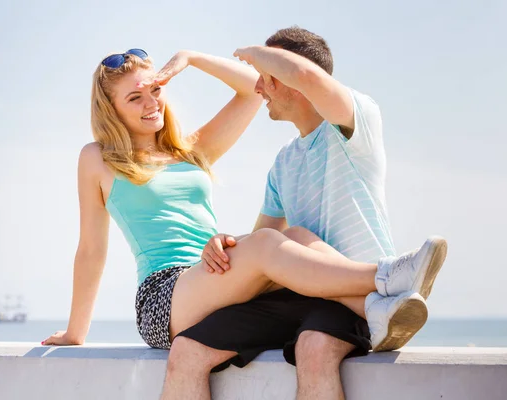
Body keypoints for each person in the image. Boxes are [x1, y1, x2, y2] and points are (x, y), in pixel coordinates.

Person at [41, 45, 446, 400]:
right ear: (111, 110)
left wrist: (192, 57)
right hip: (165, 294)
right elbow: (92, 250)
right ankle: (388, 276)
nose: (152, 104)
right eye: (135, 97)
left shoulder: (192, 152)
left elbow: (251, 87)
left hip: (216, 274)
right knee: (270, 241)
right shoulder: (97, 159)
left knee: (297, 236)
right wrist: (76, 333)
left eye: (156, 90)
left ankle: (376, 308)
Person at [159, 27, 447, 400]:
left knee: (313, 348)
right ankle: (387, 283)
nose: (258, 88)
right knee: (186, 349)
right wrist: (225, 241)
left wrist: (251, 51)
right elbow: (266, 242)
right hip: (297, 293)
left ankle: (384, 285)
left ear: (291, 76)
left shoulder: (356, 126)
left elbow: (309, 75)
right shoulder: (283, 163)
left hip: (353, 294)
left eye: (266, 77)